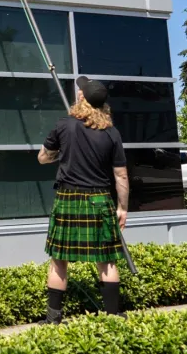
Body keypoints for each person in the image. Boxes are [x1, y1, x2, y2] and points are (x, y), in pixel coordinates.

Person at [37, 76, 129, 324]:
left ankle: (53, 319)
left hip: (68, 198)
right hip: (99, 200)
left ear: (82, 98)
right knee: (106, 260)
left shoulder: (64, 125)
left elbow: (42, 158)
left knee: (59, 261)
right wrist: (122, 208)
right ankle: (113, 317)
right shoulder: (111, 132)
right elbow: (120, 175)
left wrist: (60, 154)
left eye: (81, 91)